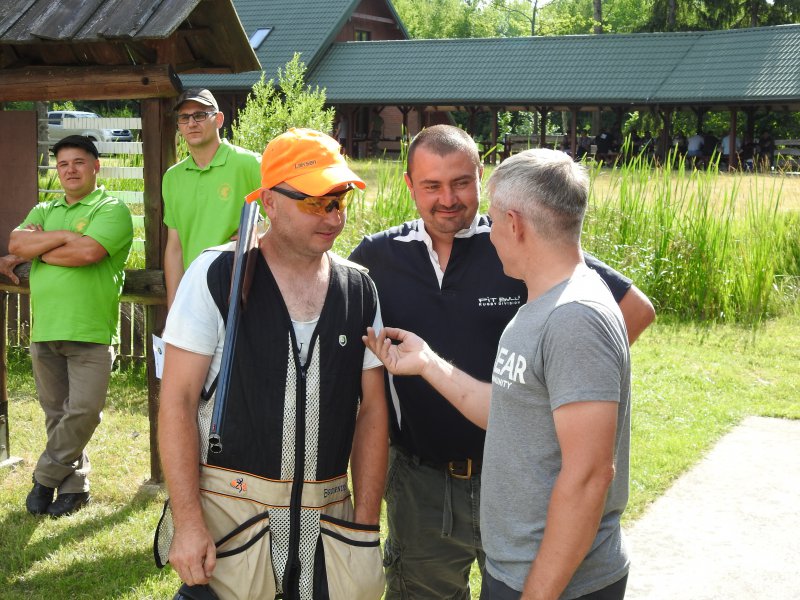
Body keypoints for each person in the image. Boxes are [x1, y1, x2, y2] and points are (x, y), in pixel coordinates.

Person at [348, 125, 653, 599]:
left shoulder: (545, 270)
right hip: (425, 481)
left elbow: (632, 312)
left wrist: (569, 383)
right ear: (409, 185)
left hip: (519, 489)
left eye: (461, 183)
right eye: (432, 185)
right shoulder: (379, 256)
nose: (448, 199)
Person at [156, 128, 388, 600]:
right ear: (269, 202)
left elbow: (372, 412)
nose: (333, 216)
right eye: (315, 202)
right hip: (231, 528)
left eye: (339, 200)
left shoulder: (360, 289)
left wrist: (363, 527)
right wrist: (188, 523)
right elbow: (177, 402)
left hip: (328, 531)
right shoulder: (216, 275)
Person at [8, 135, 133, 517]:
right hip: (46, 328)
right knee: (56, 413)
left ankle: (44, 478)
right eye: (63, 164)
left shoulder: (112, 209)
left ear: (96, 166)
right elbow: (17, 245)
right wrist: (64, 236)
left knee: (84, 411)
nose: (70, 170)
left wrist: (41, 248)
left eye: (78, 162)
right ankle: (75, 489)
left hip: (91, 329)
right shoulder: (45, 208)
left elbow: (88, 252)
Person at [162, 88, 261, 308]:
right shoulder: (172, 178)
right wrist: (174, 310)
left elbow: (284, 216)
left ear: (219, 119)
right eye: (184, 117)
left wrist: (259, 233)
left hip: (244, 293)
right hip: (195, 295)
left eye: (200, 115)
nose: (191, 123)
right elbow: (175, 247)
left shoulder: (250, 164)